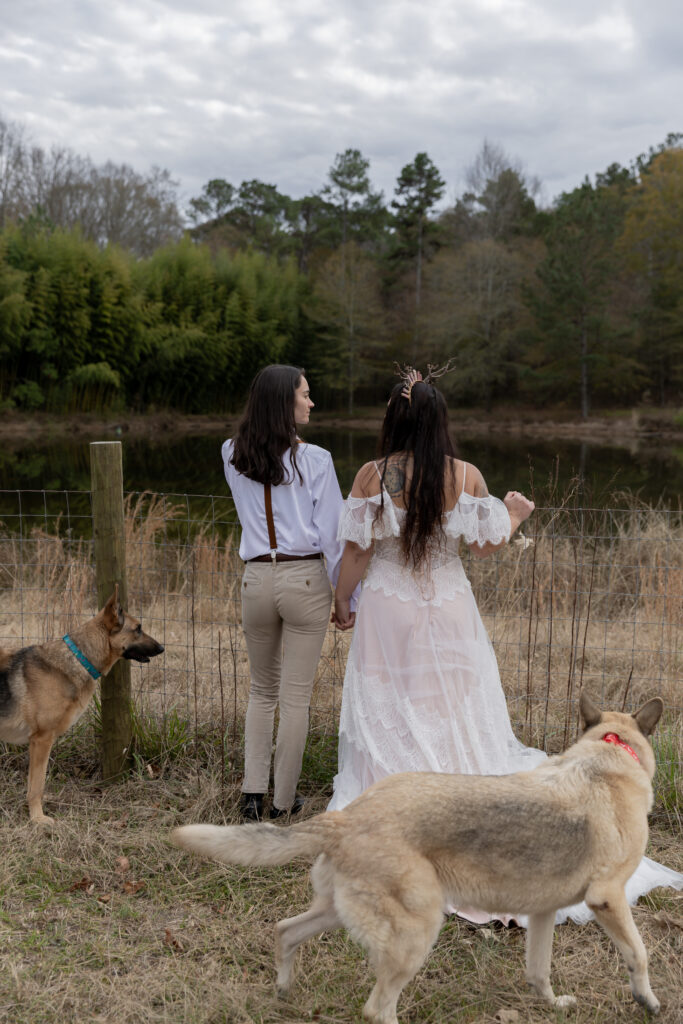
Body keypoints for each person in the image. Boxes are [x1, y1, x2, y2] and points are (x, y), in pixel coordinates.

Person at [329, 365, 683, 925]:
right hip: (449, 609)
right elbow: (487, 546)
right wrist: (514, 515)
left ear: (393, 419)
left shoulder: (373, 476)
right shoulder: (465, 474)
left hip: (389, 610)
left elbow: (354, 553)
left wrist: (342, 599)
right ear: (440, 422)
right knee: (451, 709)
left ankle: (397, 819)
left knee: (392, 707)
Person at [223, 364, 354, 822]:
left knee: (262, 691)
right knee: (295, 697)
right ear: (285, 402)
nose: (311, 402)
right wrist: (345, 599)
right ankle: (282, 802)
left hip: (256, 580)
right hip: (303, 579)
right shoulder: (315, 459)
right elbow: (334, 537)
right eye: (305, 394)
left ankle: (251, 795)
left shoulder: (230, 452)